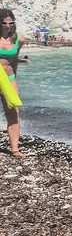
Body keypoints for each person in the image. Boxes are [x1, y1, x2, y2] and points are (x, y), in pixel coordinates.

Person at [0, 9, 26, 157]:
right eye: (4, 22)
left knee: (14, 112)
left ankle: (15, 149)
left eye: (11, 22)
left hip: (9, 78)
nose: (8, 26)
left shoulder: (18, 39)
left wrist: (14, 76)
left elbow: (15, 59)